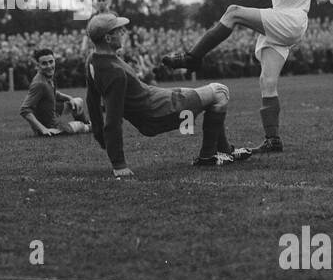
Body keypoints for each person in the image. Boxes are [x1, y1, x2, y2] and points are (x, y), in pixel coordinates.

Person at [164, 0, 333, 153]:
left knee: (233, 12)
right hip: (277, 22)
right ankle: (273, 140)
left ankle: (192, 57)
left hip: (294, 20)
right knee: (267, 82)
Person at [85, 12, 252, 177]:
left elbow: (92, 101)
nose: (123, 33)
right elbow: (113, 120)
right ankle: (207, 156)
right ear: (108, 38)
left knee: (205, 94)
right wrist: (118, 164)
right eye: (118, 30)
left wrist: (99, 136)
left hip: (157, 99)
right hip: (158, 113)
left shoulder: (93, 60)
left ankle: (225, 150)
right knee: (220, 91)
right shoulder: (114, 73)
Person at [20, 47, 90, 136]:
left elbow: (53, 92)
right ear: (37, 66)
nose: (49, 66)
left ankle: (87, 124)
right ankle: (90, 127)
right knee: (80, 126)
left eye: (51, 62)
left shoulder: (47, 75)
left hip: (52, 111)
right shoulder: (39, 83)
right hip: (50, 127)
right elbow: (24, 110)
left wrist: (69, 98)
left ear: (55, 61)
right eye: (44, 63)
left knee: (78, 102)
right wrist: (43, 129)